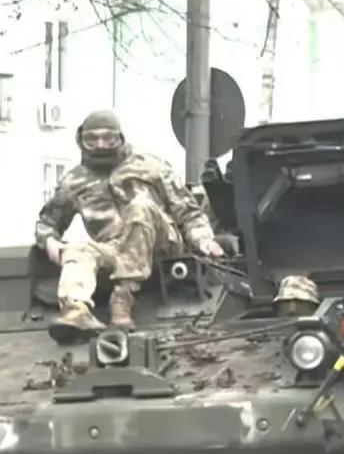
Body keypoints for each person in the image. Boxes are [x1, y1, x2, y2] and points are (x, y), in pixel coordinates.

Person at [36, 110, 224, 340]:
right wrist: (50, 240)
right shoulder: (74, 181)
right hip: (114, 249)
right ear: (81, 141)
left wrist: (203, 239)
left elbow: (187, 209)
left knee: (139, 207)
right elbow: (48, 221)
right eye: (92, 139)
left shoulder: (149, 167)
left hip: (162, 245)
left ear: (120, 138)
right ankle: (76, 309)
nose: (100, 145)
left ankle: (123, 298)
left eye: (108, 138)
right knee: (77, 249)